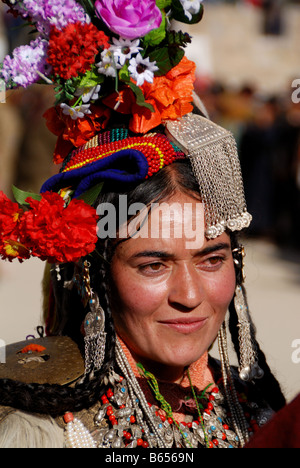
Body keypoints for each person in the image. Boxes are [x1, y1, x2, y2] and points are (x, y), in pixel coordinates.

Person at [0, 0, 286, 449]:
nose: (190, 296)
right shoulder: (36, 423)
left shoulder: (263, 410)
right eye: (153, 265)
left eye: (212, 259)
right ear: (93, 278)